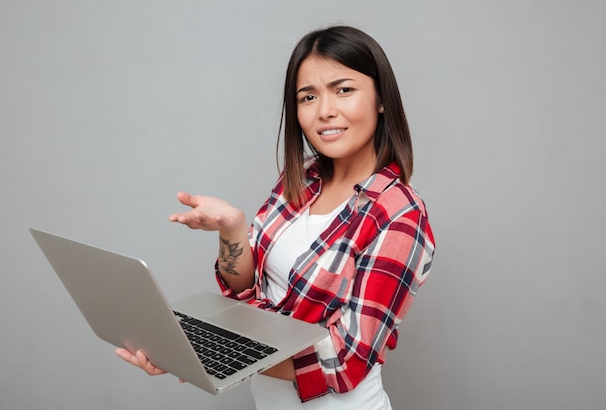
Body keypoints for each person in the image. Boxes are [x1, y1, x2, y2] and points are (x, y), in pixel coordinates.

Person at [116, 25, 435, 409]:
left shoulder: (399, 215)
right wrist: (233, 229)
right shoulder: (301, 180)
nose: (325, 111)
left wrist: (202, 353)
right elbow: (246, 292)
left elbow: (345, 359)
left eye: (344, 89)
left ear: (381, 98)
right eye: (308, 96)